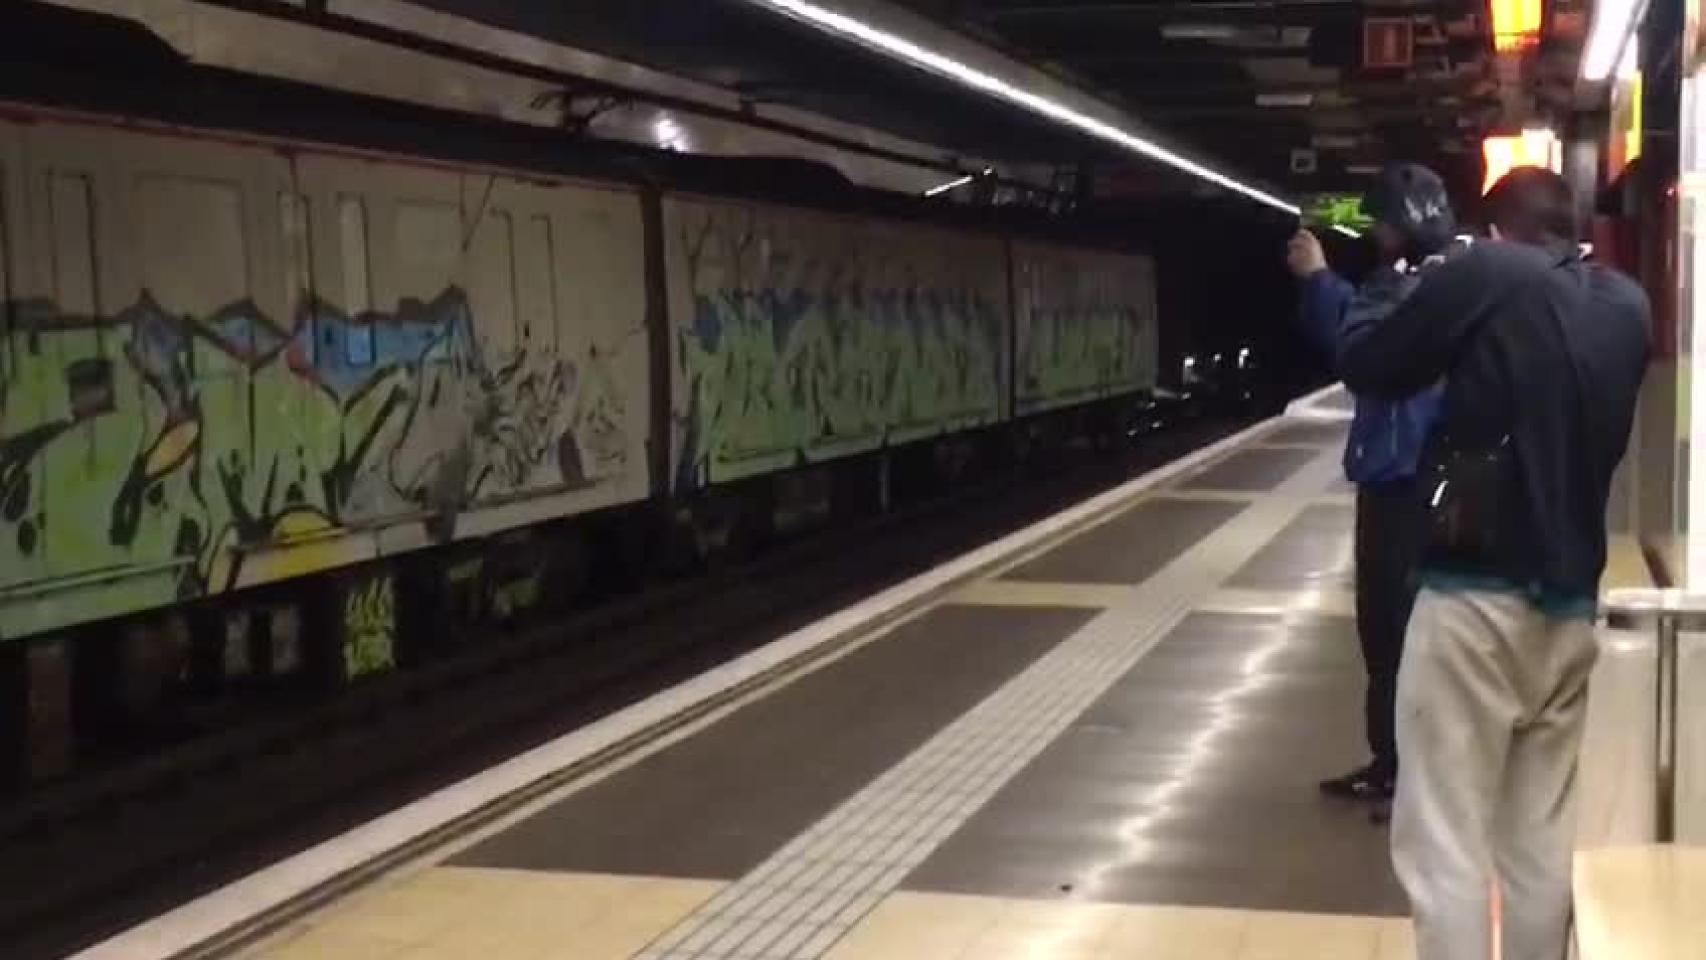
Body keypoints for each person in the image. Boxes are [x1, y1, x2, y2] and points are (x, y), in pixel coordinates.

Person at [1337, 167, 1650, 960]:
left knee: (1444, 843)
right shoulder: (1625, 305)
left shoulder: (1487, 273)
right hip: (1569, 614)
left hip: (1473, 604)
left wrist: (1398, 278)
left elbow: (1371, 363)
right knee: (1539, 845)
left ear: (1499, 228)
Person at [1287, 163, 1455, 814]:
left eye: (1382, 221)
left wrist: (1321, 282)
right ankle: (1395, 766)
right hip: (1409, 482)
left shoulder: (1413, 289)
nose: (1377, 233)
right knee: (1391, 634)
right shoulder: (1442, 283)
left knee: (1400, 634)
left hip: (1405, 485)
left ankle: (1410, 776)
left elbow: (1359, 352)